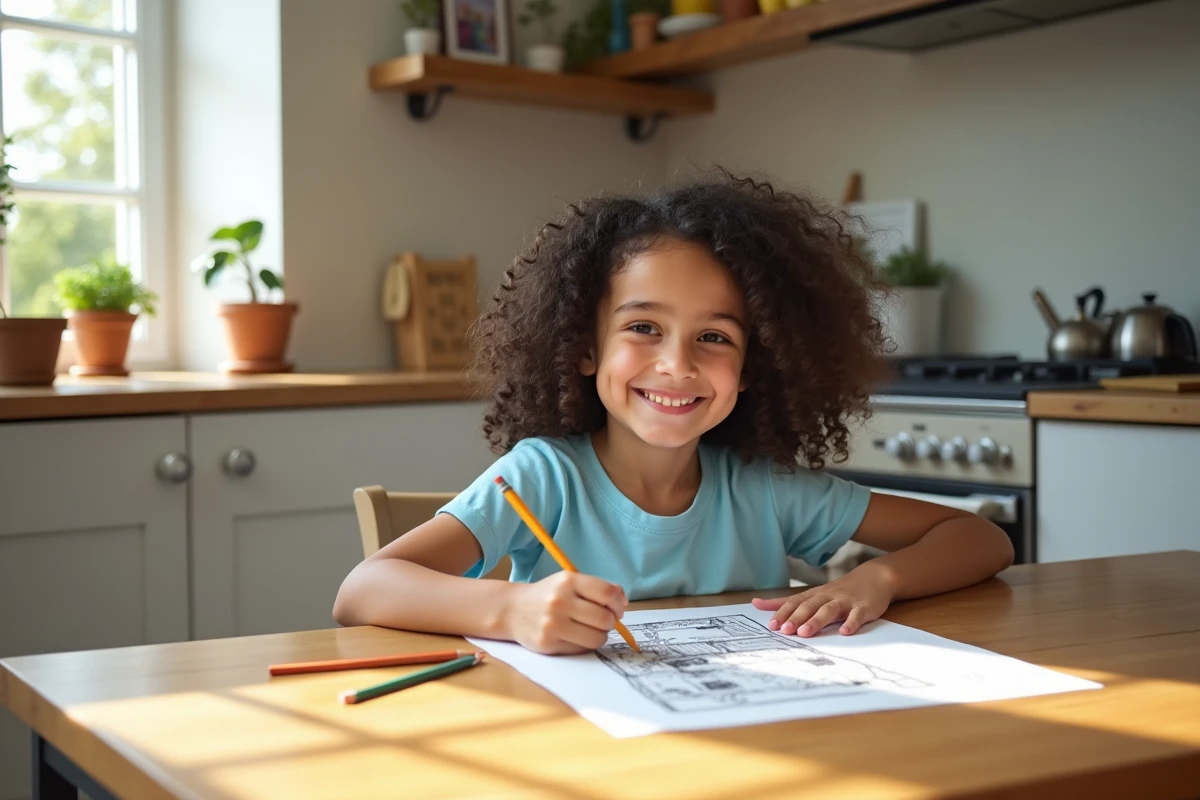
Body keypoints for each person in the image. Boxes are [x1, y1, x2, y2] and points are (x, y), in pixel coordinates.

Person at [333, 170, 1014, 654]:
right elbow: (364, 589)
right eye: (643, 329)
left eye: (714, 338)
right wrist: (510, 608)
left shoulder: (765, 486)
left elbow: (983, 540)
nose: (678, 365)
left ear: (752, 369)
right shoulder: (540, 478)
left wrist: (877, 579)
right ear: (583, 349)